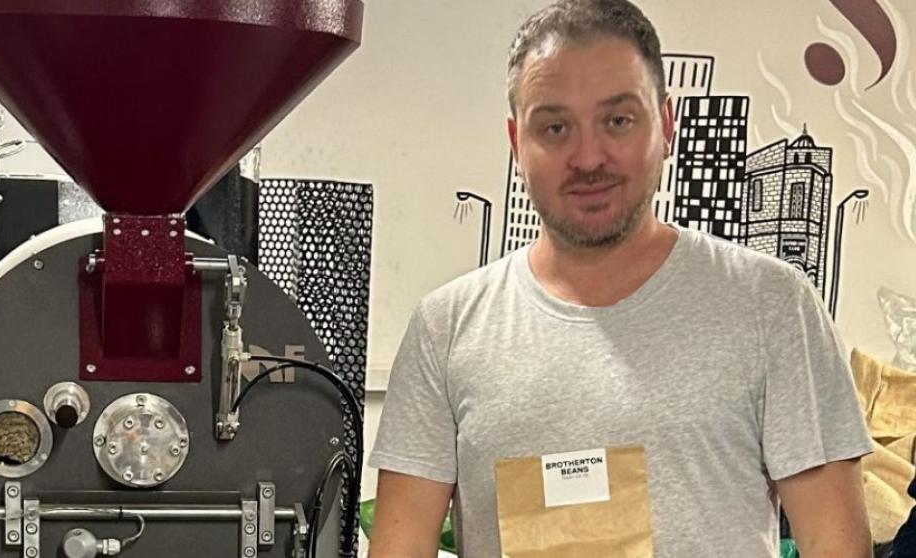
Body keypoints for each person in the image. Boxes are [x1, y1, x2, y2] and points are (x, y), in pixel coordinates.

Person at [367, 0, 875, 556]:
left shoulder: (772, 307)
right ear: (517, 145)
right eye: (555, 127)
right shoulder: (446, 329)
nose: (588, 157)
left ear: (666, 125)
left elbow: (836, 546)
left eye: (618, 120)